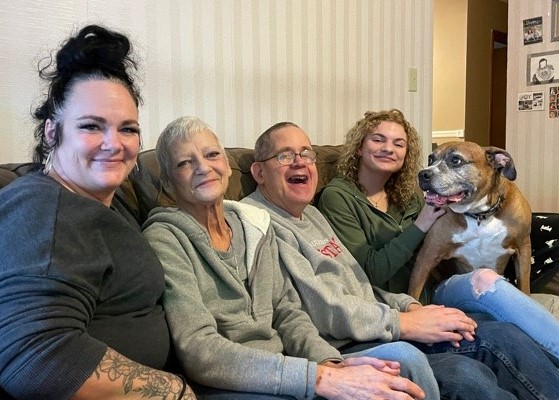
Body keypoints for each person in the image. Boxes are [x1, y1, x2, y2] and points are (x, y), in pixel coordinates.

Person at [242, 121, 559, 399]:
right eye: (286, 156)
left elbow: (358, 282)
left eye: (307, 154)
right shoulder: (267, 219)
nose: (301, 163)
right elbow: (327, 298)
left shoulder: (311, 211)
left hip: (395, 310)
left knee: (503, 332)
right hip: (366, 332)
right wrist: (404, 321)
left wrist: (410, 307)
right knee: (471, 373)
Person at [143, 116, 433, 400]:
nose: (203, 167)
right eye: (185, 163)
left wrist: (328, 364)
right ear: (168, 183)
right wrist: (315, 377)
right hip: (232, 381)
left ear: (227, 168)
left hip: (287, 364)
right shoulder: (165, 238)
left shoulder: (251, 224)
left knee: (405, 362)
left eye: (211, 155)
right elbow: (199, 350)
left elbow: (287, 311)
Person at [0, 25, 194, 399]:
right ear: (52, 133)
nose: (114, 144)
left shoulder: (109, 198)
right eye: (92, 126)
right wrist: (176, 391)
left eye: (128, 129)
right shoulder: (44, 207)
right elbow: (35, 357)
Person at [316, 109, 559, 361]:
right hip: (394, 302)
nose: (388, 148)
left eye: (398, 143)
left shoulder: (408, 193)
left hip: (440, 289)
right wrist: (421, 225)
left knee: (509, 302)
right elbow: (371, 270)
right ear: (358, 146)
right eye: (378, 139)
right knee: (491, 294)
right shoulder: (338, 197)